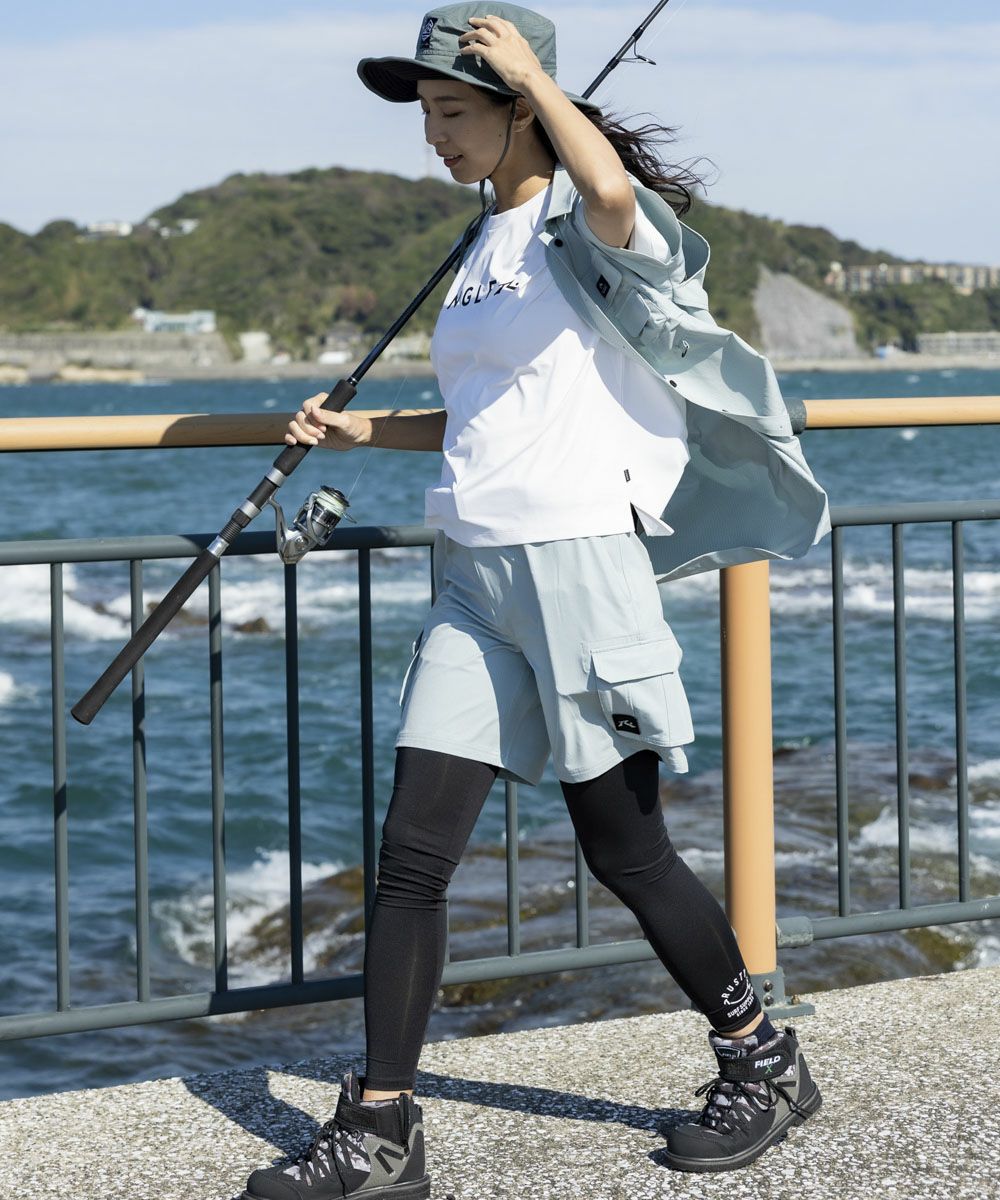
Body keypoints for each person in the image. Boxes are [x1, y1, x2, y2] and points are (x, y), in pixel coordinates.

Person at [241, 5, 824, 1198]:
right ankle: (383, 1128)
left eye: (455, 110)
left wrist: (534, 81)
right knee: (411, 858)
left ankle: (761, 1058)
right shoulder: (480, 245)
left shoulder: (585, 220)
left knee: (626, 849)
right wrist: (366, 429)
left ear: (520, 108)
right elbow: (485, 415)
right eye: (425, 114)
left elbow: (609, 191)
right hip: (474, 574)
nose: (434, 135)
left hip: (575, 567)